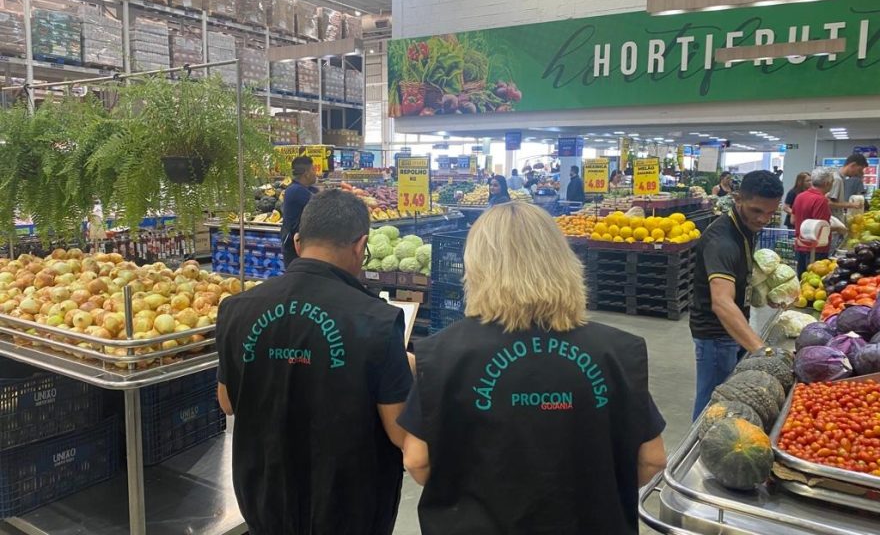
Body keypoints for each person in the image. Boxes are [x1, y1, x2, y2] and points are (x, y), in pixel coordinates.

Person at [398, 202, 667, 535]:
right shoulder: (616, 352)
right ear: (564, 262)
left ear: (477, 267)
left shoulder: (442, 354)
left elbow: (418, 461)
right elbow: (652, 459)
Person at [216, 190, 413, 535]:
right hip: (347, 507)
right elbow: (399, 431)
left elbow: (227, 402)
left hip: (264, 499)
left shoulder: (236, 308)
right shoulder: (377, 321)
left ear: (296, 241)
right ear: (359, 245)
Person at [690, 170, 784, 420]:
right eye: (756, 211)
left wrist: (764, 291)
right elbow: (721, 302)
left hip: (732, 330)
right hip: (715, 335)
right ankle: (697, 450)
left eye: (770, 212)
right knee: (713, 403)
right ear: (738, 199)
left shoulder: (744, 227)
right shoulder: (721, 240)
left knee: (727, 399)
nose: (763, 219)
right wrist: (762, 350)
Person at [792, 167, 834, 278]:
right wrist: (838, 228)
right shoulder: (821, 200)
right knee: (813, 284)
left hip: (800, 245)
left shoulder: (800, 196)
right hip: (816, 249)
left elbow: (792, 220)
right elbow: (820, 229)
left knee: (802, 280)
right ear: (827, 183)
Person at [281, 156, 318, 269]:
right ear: (306, 173)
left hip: (301, 244)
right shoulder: (296, 190)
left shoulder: (306, 189)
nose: (316, 172)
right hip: (295, 247)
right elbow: (322, 204)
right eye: (313, 169)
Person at [827, 153, 868, 221]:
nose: (858, 173)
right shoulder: (837, 179)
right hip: (833, 220)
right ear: (853, 165)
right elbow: (828, 203)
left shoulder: (840, 178)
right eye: (859, 170)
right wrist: (851, 205)